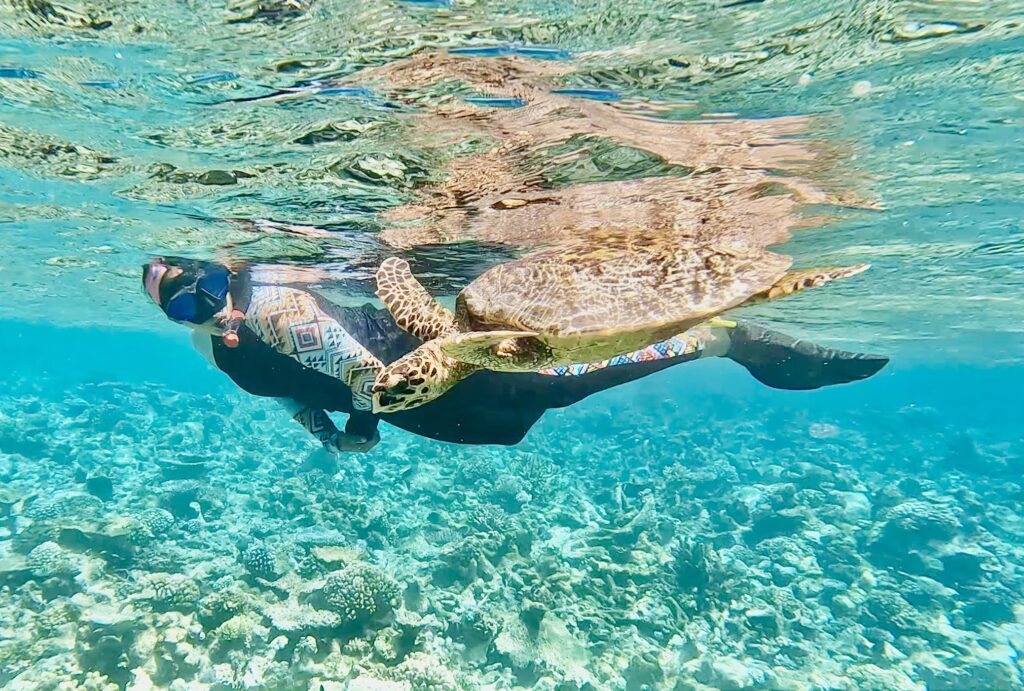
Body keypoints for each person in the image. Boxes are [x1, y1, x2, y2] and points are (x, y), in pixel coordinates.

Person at [143, 256, 888, 453]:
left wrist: (360, 431)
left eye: (206, 289)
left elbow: (363, 376)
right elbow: (286, 397)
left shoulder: (278, 304)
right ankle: (718, 338)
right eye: (183, 304)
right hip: (426, 407)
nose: (206, 309)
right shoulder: (215, 351)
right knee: (557, 393)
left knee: (572, 377)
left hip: (437, 367)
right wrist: (324, 431)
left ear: (229, 275)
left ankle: (729, 337)